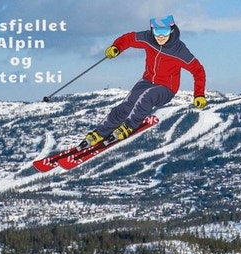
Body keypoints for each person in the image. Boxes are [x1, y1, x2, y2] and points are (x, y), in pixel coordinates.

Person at [78, 14, 207, 151]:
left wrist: (199, 94)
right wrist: (117, 47)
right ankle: (100, 133)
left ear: (172, 30)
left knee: (146, 96)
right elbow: (129, 38)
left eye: (164, 31)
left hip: (166, 89)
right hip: (147, 80)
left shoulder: (180, 51)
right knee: (126, 105)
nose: (160, 36)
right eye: (157, 31)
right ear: (152, 30)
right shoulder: (148, 38)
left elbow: (198, 71)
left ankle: (129, 125)